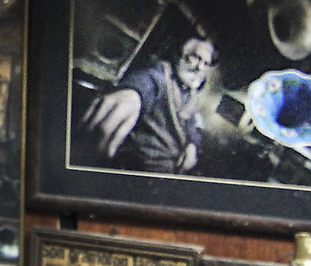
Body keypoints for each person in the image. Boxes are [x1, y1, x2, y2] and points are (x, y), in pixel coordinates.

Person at [82, 35, 216, 173]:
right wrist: (133, 95)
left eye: (206, 63)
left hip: (170, 171)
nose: (199, 67)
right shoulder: (161, 73)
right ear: (183, 55)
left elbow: (190, 124)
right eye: (196, 57)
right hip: (139, 167)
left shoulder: (192, 94)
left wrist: (192, 145)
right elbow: (147, 80)